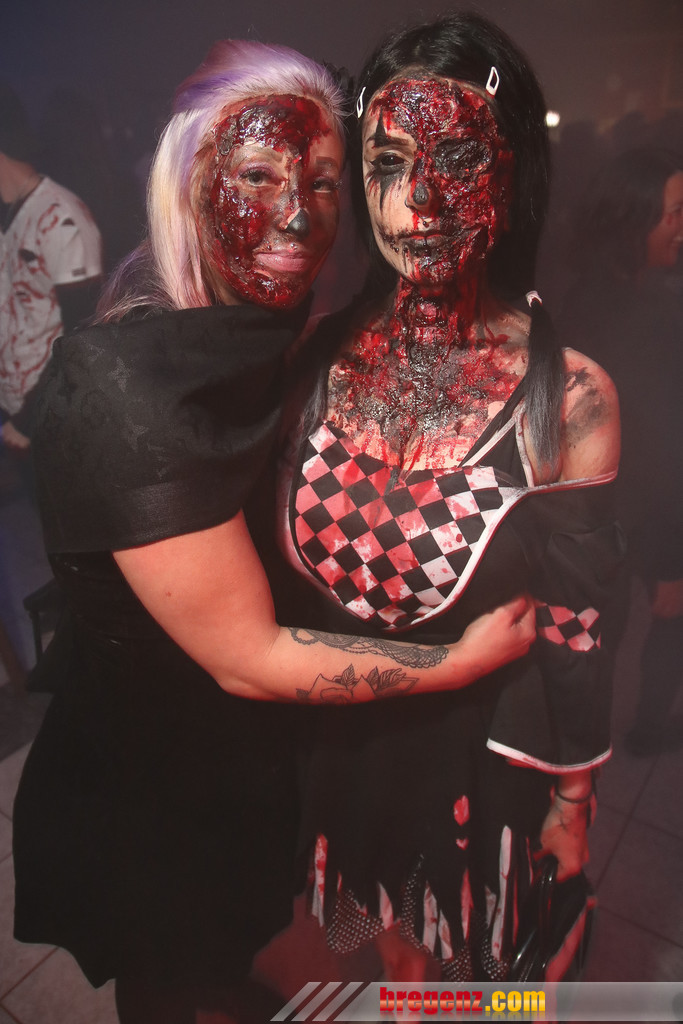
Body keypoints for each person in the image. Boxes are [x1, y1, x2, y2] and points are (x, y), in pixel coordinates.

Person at [12, 39, 535, 1024]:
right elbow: (248, 657)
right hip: (156, 786)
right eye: (257, 176)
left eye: (323, 181)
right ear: (185, 181)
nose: (298, 214)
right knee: (190, 984)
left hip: (237, 761)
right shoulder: (131, 389)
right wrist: (456, 663)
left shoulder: (241, 314)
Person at [275, 13, 622, 982]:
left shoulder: (569, 397)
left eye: (458, 159)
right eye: (387, 164)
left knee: (478, 976)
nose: (417, 200)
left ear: (512, 177)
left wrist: (572, 803)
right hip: (340, 751)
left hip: (479, 771)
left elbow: (579, 626)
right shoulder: (313, 356)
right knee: (377, 957)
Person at [561, 147, 683, 756]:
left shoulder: (576, 293)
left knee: (586, 651)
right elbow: (661, 447)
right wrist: (670, 562)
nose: (681, 227)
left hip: (582, 522)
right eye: (674, 213)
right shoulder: (648, 318)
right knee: (613, 644)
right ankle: (629, 741)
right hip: (618, 525)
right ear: (635, 219)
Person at [0, 81, 102, 455]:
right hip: (15, 411)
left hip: (51, 420)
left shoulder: (61, 218)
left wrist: (26, 418)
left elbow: (82, 334)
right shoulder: (8, 215)